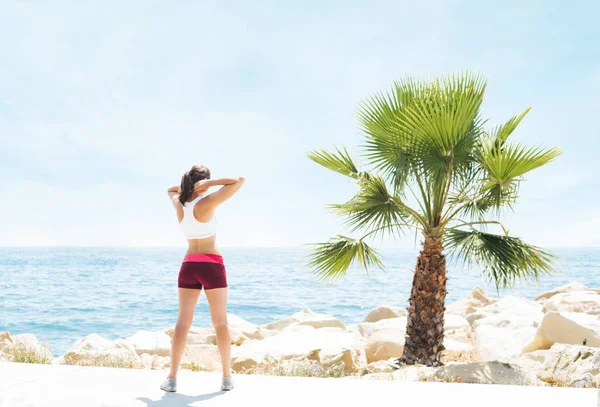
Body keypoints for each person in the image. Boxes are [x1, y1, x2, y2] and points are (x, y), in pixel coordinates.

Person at [161, 165, 245, 392]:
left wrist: (188, 187)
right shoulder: (206, 202)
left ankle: (171, 379)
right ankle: (227, 378)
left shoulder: (179, 204)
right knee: (220, 323)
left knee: (182, 323)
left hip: (189, 265)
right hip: (212, 265)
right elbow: (239, 180)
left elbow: (171, 189)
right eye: (205, 182)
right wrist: (209, 184)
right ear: (202, 183)